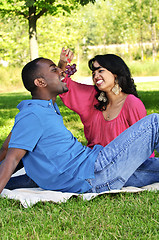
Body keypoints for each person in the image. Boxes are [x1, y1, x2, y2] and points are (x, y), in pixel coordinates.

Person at [0, 56, 159, 194]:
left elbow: (8, 149)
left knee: (153, 167)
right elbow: (12, 158)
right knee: (155, 122)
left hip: (97, 167)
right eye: (54, 70)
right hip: (94, 172)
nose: (62, 72)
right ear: (40, 82)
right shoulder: (33, 114)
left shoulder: (43, 109)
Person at [59, 48, 154, 158]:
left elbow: (145, 144)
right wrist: (63, 62)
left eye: (100, 71)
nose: (95, 76)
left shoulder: (131, 103)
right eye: (93, 73)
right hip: (92, 165)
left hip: (123, 169)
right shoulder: (92, 98)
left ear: (115, 74)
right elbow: (63, 83)